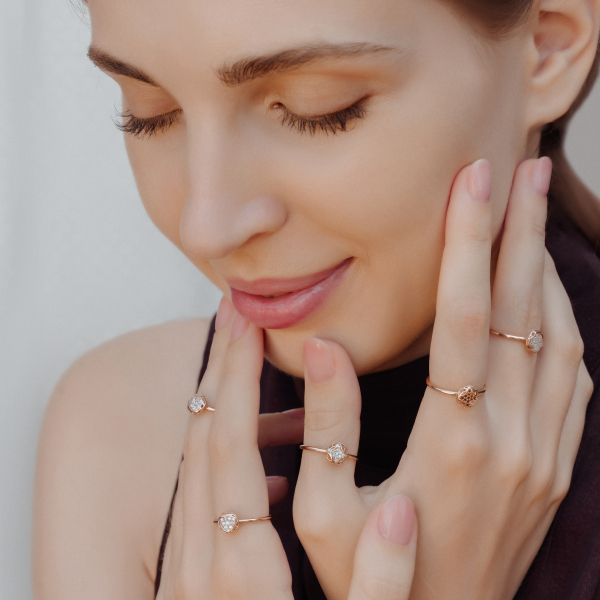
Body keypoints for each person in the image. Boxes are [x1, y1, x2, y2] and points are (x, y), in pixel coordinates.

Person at [32, 0, 600, 598]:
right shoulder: (121, 437)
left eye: (317, 108)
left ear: (547, 48)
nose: (207, 225)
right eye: (151, 114)